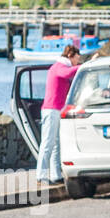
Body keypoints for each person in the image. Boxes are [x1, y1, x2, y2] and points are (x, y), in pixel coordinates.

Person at [36, 44, 82, 185]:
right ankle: (41, 175)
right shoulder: (59, 67)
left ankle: (56, 175)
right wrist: (84, 66)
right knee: (48, 143)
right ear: (70, 56)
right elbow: (67, 74)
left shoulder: (61, 66)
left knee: (56, 143)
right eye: (76, 59)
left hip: (56, 109)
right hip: (51, 110)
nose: (77, 62)